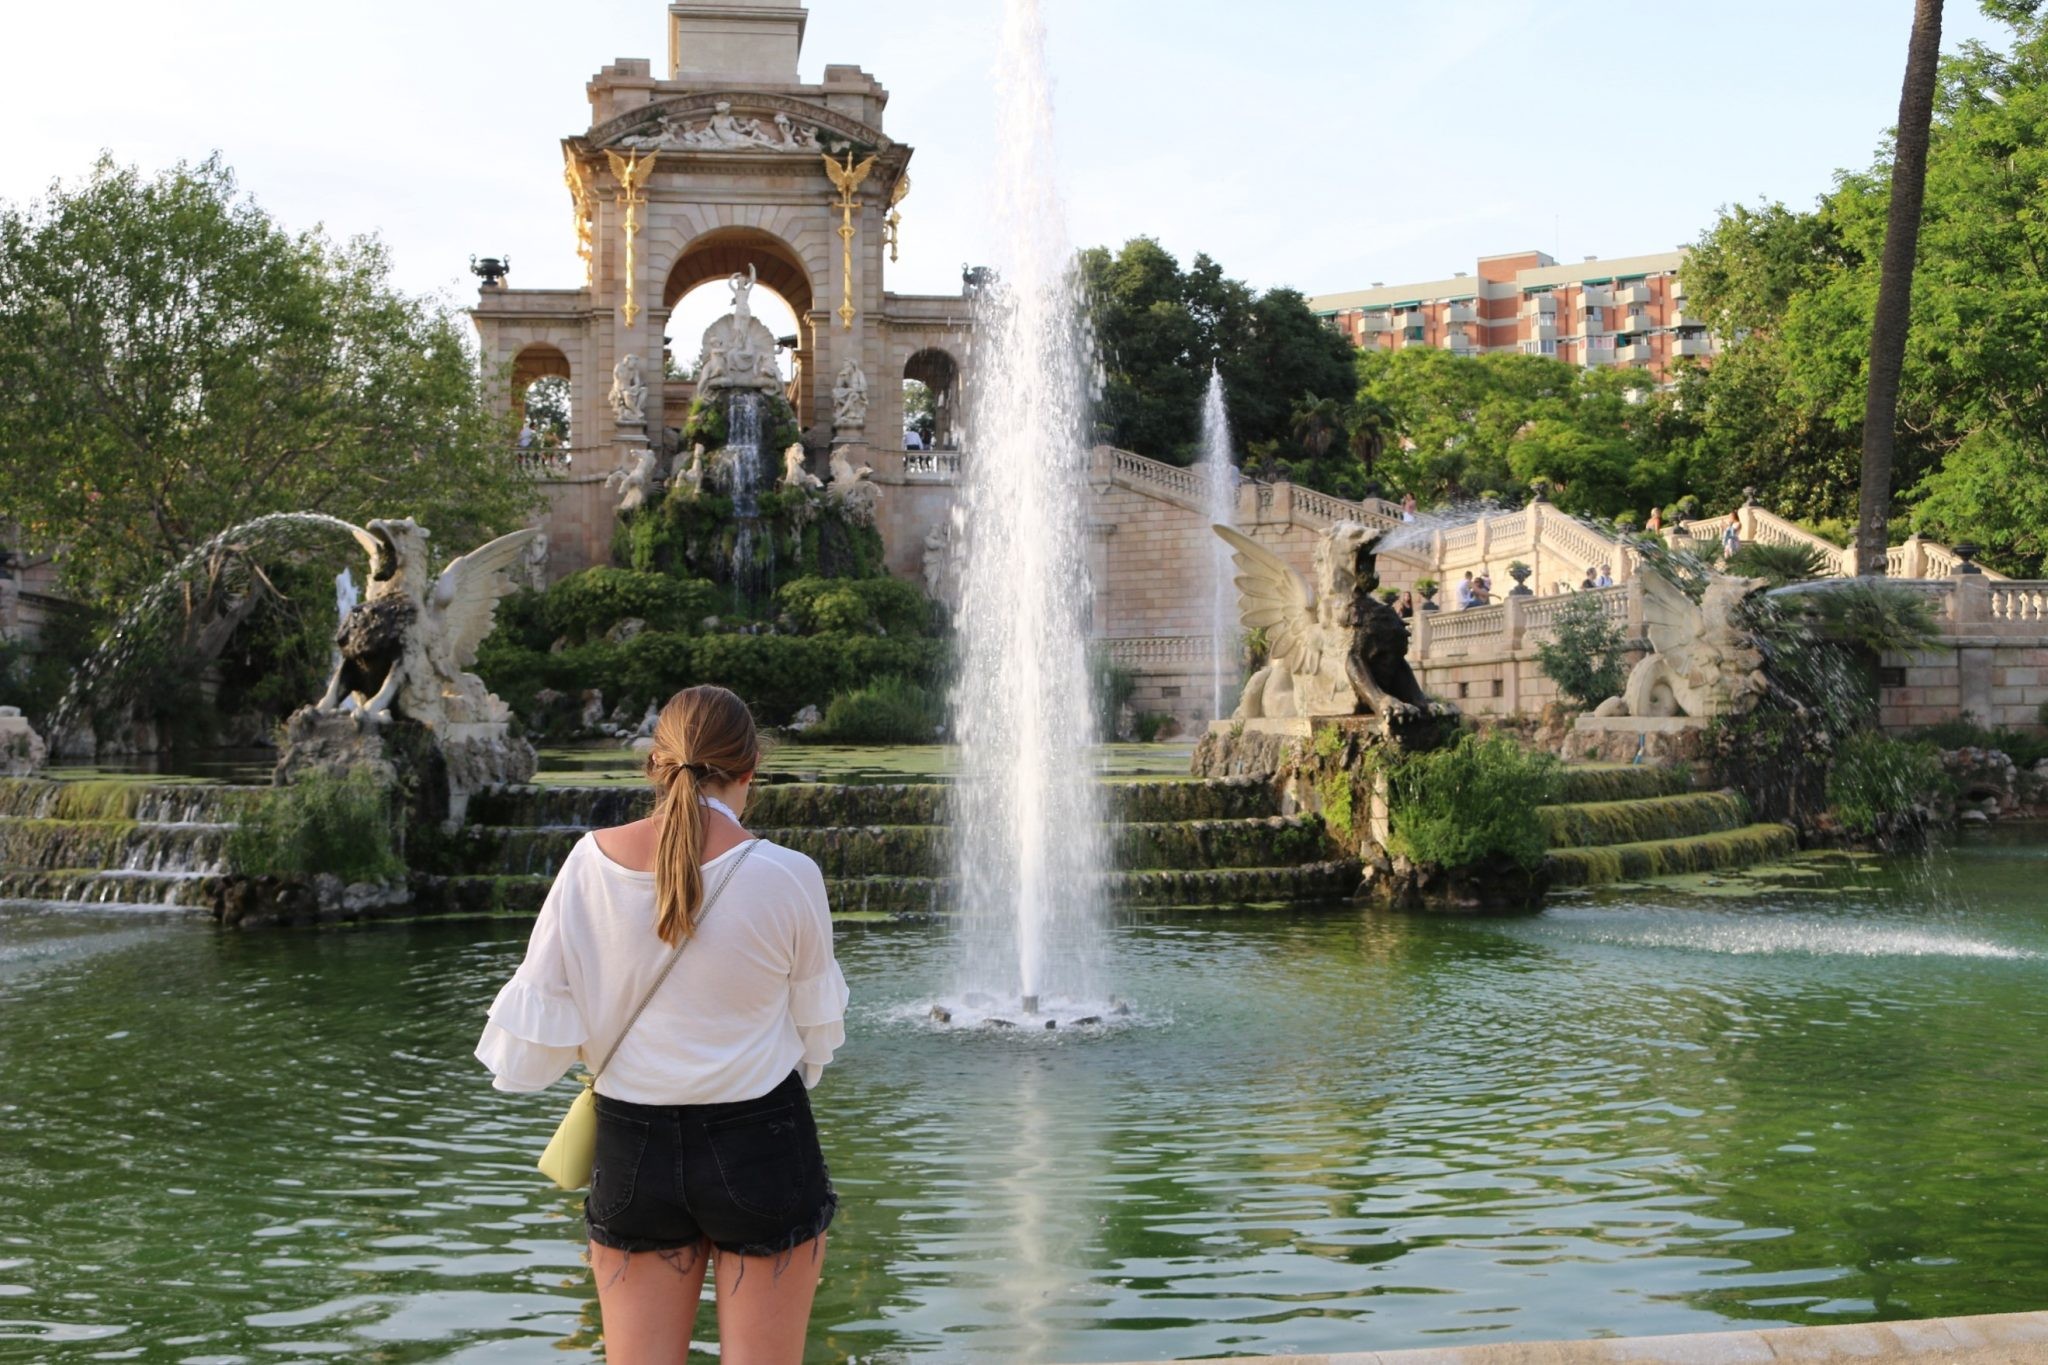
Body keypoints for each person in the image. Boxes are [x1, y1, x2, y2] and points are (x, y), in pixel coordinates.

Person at [475, 686, 846, 1364]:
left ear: (654, 763)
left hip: (631, 1144)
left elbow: (526, 1057)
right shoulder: (791, 875)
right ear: (750, 767)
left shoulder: (586, 864)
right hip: (760, 1141)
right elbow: (816, 1042)